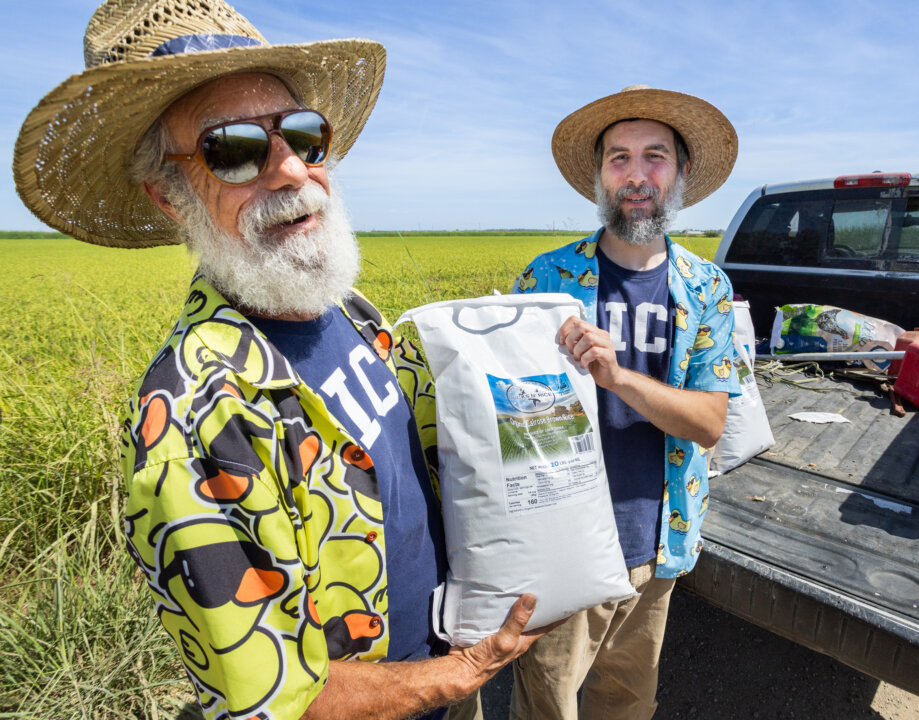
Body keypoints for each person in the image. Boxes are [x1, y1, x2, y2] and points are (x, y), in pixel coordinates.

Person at [13, 2, 545, 719]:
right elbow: (278, 695)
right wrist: (462, 673)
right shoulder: (195, 416)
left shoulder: (349, 311)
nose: (292, 169)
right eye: (233, 150)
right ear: (169, 197)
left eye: (302, 134)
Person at [510, 85, 742, 719]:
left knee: (626, 704)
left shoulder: (706, 287)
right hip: (561, 548)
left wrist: (618, 378)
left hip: (655, 544)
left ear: (681, 172)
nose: (637, 175)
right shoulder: (546, 279)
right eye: (619, 158)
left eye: (655, 156)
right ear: (599, 175)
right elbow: (509, 422)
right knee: (546, 706)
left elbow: (709, 423)